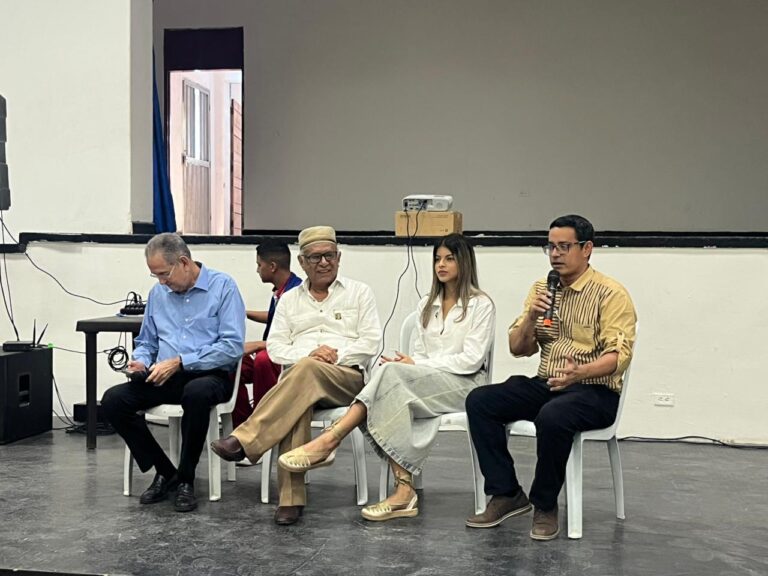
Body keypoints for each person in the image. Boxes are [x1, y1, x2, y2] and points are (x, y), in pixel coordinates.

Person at [278, 233, 495, 522]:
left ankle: (332, 439)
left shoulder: (481, 305)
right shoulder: (425, 306)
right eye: (437, 259)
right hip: (427, 383)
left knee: (390, 375)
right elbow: (418, 353)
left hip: (467, 385)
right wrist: (412, 364)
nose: (441, 265)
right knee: (390, 381)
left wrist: (416, 364)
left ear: (464, 262)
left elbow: (471, 360)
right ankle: (403, 492)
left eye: (449, 259)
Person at [465, 214, 637, 540]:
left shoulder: (610, 294)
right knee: (481, 400)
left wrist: (579, 373)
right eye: (551, 247)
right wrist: (531, 315)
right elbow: (518, 348)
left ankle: (545, 505)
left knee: (553, 415)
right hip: (549, 382)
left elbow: (618, 358)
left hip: (594, 391)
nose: (555, 254)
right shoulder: (543, 288)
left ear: (587, 249)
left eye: (564, 246)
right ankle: (506, 493)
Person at [210, 225, 382, 525]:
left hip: (346, 380)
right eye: (315, 258)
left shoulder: (359, 292)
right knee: (300, 390)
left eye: (329, 255)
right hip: (303, 382)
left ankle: (244, 439)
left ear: (339, 257)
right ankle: (290, 501)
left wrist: (334, 356)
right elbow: (275, 347)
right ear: (302, 263)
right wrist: (309, 357)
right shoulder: (289, 300)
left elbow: (371, 342)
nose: (324, 262)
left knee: (304, 373)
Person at [101, 233, 245, 512]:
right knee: (113, 401)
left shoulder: (223, 286)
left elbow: (231, 347)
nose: (162, 282)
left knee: (196, 392)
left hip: (210, 375)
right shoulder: (159, 294)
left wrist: (181, 361)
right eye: (155, 276)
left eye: (164, 274)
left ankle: (187, 479)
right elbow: (147, 342)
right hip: (165, 375)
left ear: (184, 262)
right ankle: (168, 473)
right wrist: (140, 361)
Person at [232, 241, 302, 430]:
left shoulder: (297, 294)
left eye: (259, 265)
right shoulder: (281, 291)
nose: (257, 270)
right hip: (272, 347)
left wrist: (260, 344)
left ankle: (260, 428)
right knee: (230, 361)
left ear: (272, 266)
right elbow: (274, 318)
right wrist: (244, 312)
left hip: (285, 355)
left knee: (263, 359)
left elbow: (294, 336)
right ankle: (243, 426)